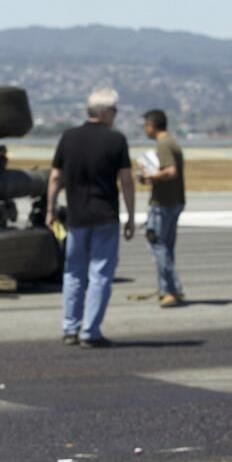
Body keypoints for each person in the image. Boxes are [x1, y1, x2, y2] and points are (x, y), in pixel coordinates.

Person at [46, 88, 136, 348]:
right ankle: (90, 331)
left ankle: (69, 328)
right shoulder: (116, 140)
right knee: (100, 275)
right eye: (115, 111)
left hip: (76, 217)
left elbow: (55, 177)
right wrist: (130, 215)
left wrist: (51, 210)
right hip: (105, 215)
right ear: (106, 112)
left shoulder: (69, 137)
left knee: (73, 273)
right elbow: (126, 181)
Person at [137, 109, 186, 308]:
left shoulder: (164, 145)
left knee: (156, 244)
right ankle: (166, 288)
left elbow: (170, 171)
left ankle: (172, 288)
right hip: (174, 200)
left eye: (145, 125)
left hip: (163, 203)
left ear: (152, 125)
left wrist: (150, 177)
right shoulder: (172, 142)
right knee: (166, 247)